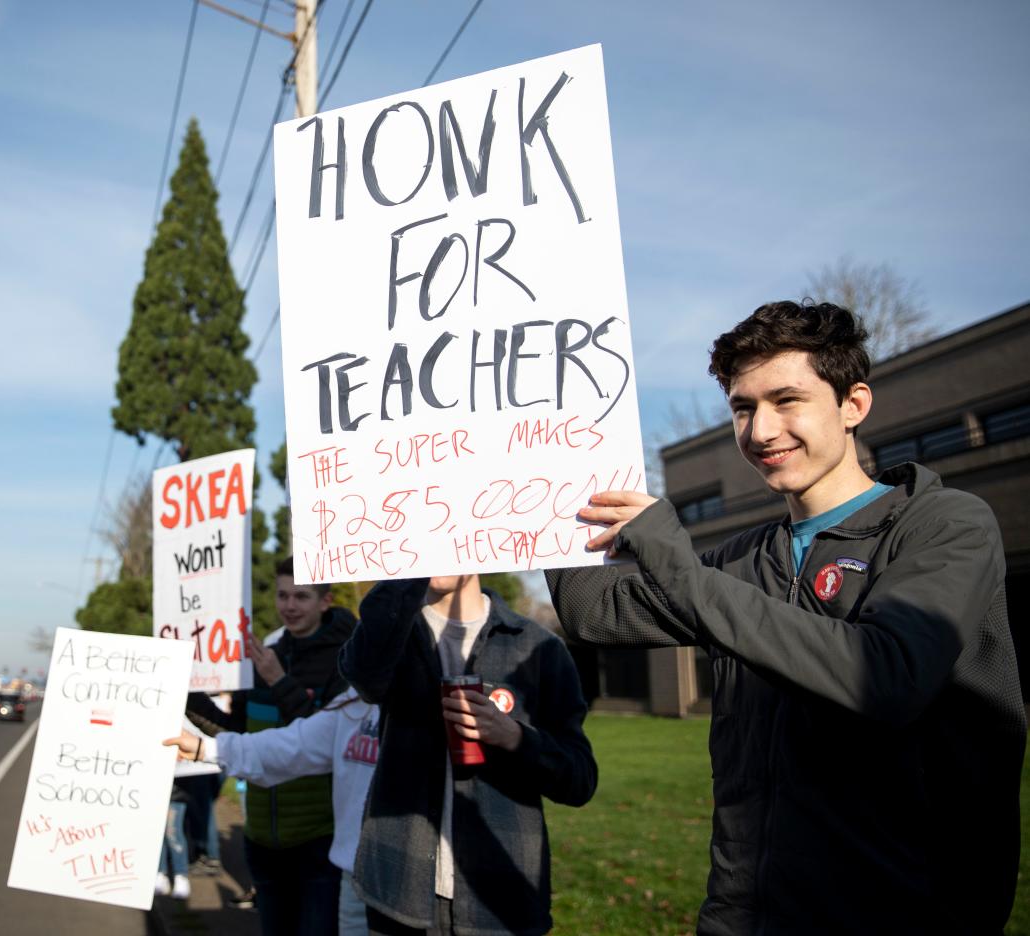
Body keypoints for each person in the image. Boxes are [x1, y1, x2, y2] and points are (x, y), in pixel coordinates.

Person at [547, 300, 1026, 934]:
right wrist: (539, 480)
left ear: (853, 404)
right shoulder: (747, 558)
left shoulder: (944, 524)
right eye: (743, 408)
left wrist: (676, 559)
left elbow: (885, 675)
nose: (761, 430)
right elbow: (593, 613)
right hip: (745, 914)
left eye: (787, 400)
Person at [339, 574, 597, 935]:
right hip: (398, 887)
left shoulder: (538, 647)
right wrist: (402, 571)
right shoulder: (392, 632)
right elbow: (364, 678)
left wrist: (516, 738)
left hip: (499, 898)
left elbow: (580, 779)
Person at [188, 556, 356, 936]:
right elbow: (235, 733)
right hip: (261, 839)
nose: (289, 606)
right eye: (283, 596)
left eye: (301, 596)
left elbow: (327, 739)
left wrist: (279, 681)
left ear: (325, 601)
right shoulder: (266, 653)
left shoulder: (347, 660)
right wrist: (188, 694)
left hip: (320, 842)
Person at [164, 685, 380, 936]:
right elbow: (294, 744)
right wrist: (207, 749)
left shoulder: (421, 694)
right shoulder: (353, 702)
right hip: (353, 876)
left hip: (409, 883)